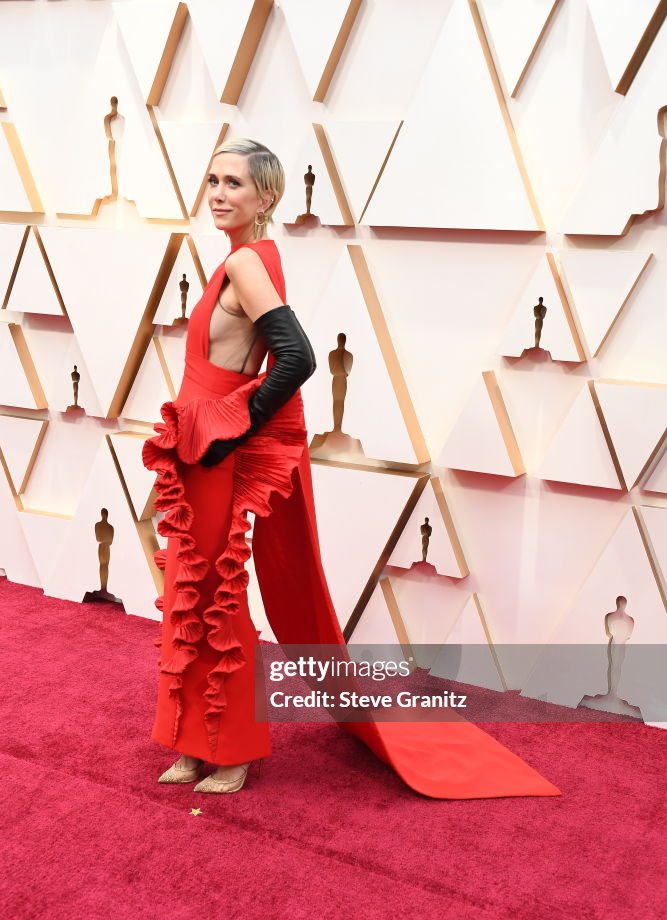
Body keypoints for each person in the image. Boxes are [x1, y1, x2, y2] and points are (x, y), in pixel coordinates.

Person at [143, 137, 560, 801]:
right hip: (194, 447)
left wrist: (232, 433)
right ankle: (197, 744)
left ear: (266, 198)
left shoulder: (249, 263)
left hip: (213, 448)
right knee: (191, 595)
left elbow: (298, 358)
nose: (218, 193)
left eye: (234, 184)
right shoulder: (241, 259)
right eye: (212, 180)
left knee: (215, 602)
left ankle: (231, 752)